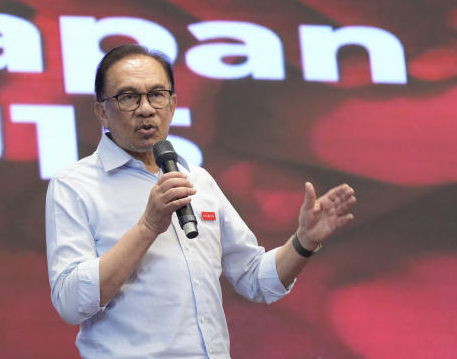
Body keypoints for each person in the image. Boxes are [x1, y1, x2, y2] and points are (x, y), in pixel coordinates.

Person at [45, 44, 356, 358]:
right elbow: (72, 303)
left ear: (173, 104)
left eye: (157, 94)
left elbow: (254, 278)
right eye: (128, 97)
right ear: (102, 111)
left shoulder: (199, 180)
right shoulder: (74, 186)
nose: (145, 108)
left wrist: (303, 241)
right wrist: (148, 226)